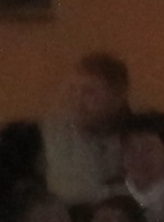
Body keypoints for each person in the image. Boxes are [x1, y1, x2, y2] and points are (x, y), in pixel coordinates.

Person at [39, 52, 131, 207]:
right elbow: (61, 192)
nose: (77, 100)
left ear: (117, 98)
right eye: (72, 89)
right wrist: (111, 192)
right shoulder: (52, 134)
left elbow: (149, 190)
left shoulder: (139, 137)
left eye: (89, 92)